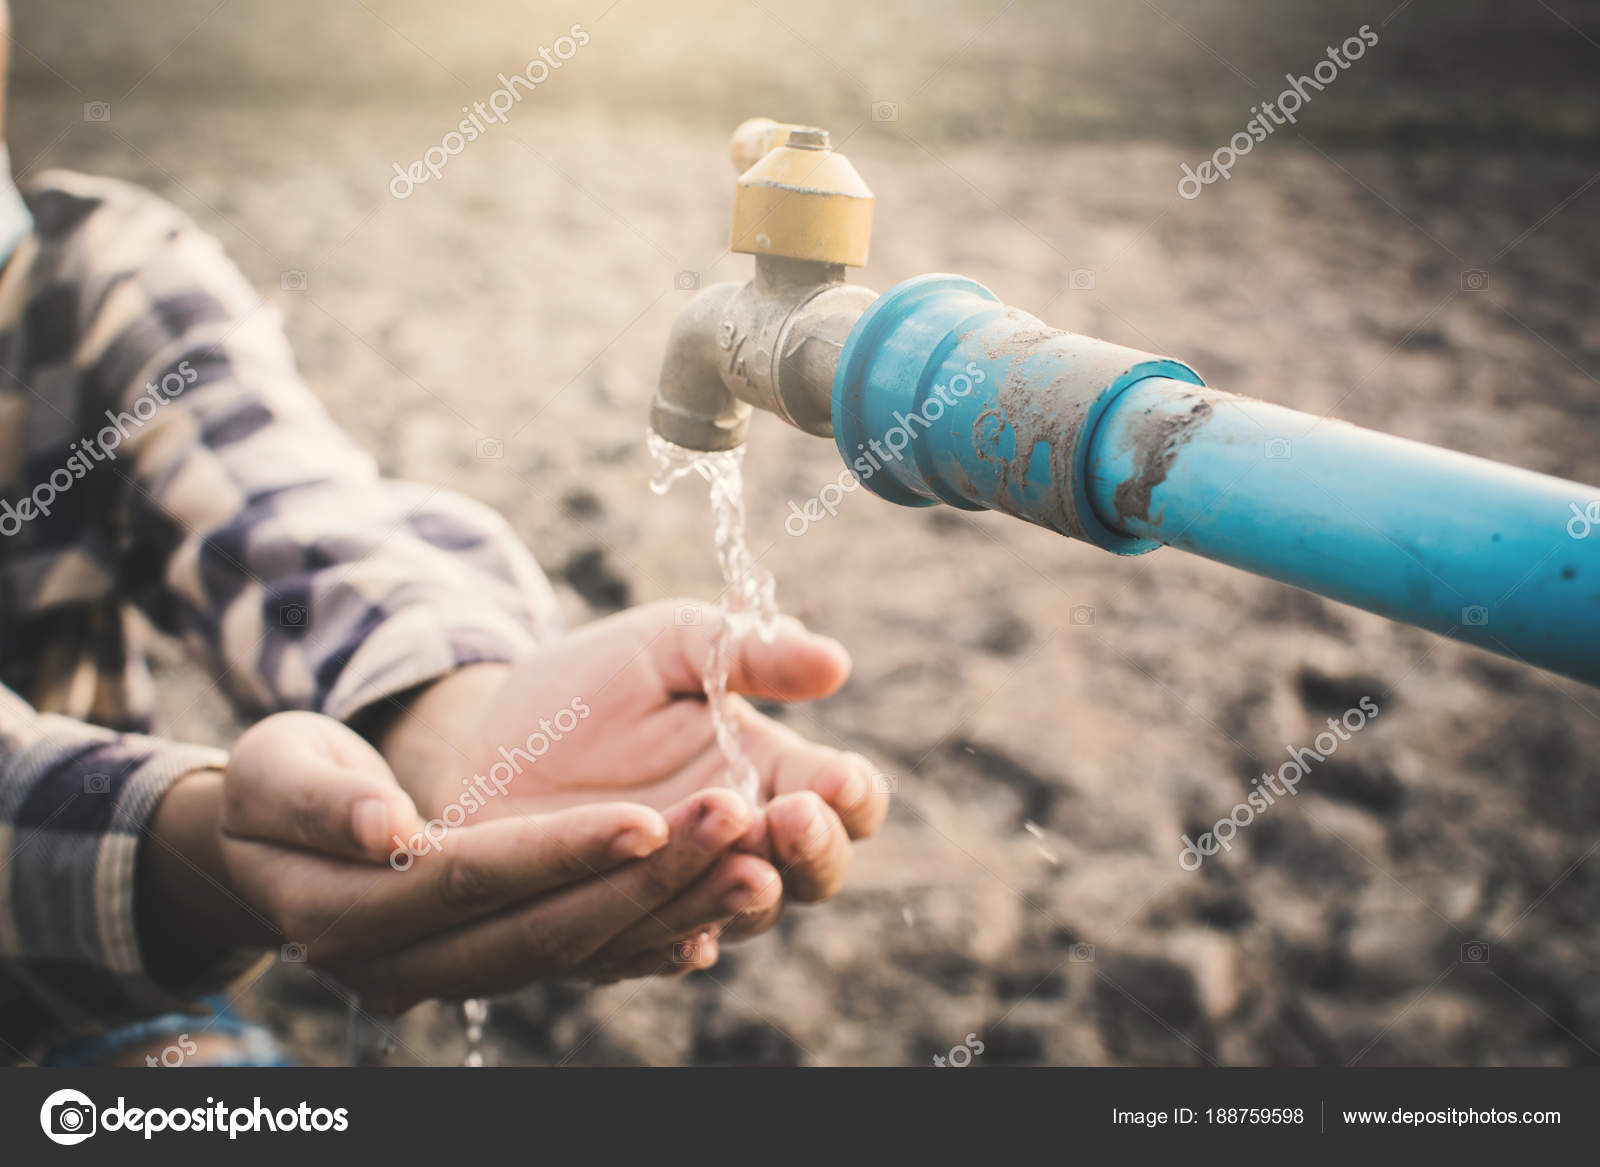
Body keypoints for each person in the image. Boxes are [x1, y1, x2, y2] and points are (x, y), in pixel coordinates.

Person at [0, 3, 885, 1063]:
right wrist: (193, 846)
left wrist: (453, 714)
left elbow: (280, 510)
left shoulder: (83, 271)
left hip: (106, 996)